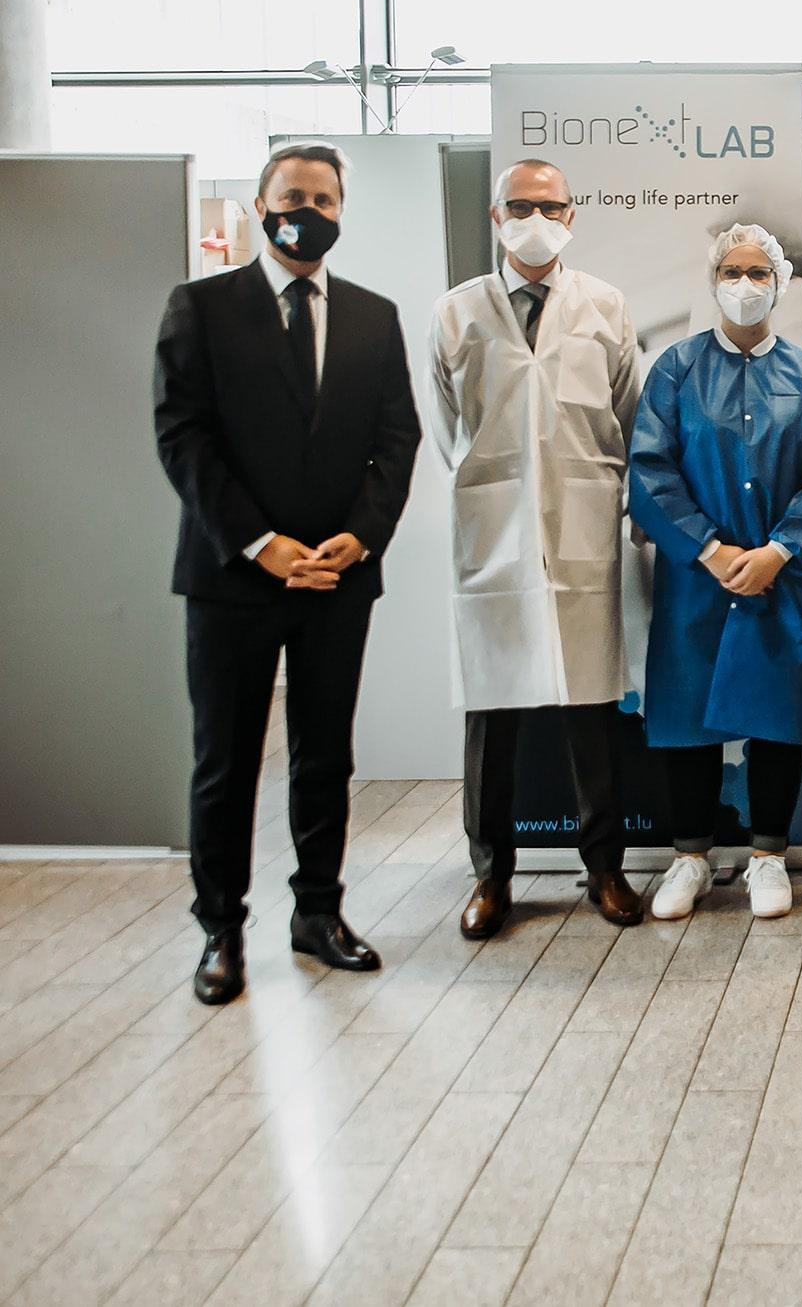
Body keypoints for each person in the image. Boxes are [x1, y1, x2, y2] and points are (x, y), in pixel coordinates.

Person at [152, 141, 422, 1005]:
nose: (308, 208)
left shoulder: (375, 317)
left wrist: (361, 536)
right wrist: (259, 542)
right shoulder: (201, 306)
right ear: (261, 205)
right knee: (225, 760)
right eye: (292, 193)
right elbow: (183, 437)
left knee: (324, 752)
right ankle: (220, 930)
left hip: (336, 575)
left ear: (342, 211)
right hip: (233, 575)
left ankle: (319, 912)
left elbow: (396, 439)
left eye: (324, 197)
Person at [430, 159, 642, 938]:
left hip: (582, 529)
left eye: (550, 206)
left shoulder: (606, 307)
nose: (536, 218)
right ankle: (491, 877)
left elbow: (628, 412)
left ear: (572, 217)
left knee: (592, 708)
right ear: (496, 217)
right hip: (494, 535)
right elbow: (445, 427)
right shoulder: (457, 313)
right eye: (520, 205)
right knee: (493, 714)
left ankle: (605, 869)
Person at [629, 224, 802, 922]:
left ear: (779, 284)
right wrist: (711, 550)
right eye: (732, 269)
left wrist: (778, 550)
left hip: (780, 574)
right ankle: (690, 857)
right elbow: (650, 469)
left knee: (777, 715)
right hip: (700, 577)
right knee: (689, 716)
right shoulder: (675, 370)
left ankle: (767, 856)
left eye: (760, 271)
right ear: (713, 280)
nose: (746, 283)